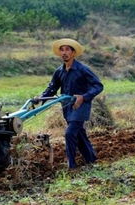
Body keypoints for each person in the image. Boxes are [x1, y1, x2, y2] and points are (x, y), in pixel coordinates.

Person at [39, 38, 103, 169]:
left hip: (81, 106)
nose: (64, 53)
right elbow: (52, 88)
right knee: (79, 133)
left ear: (73, 53)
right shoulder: (59, 71)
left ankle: (71, 165)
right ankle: (91, 159)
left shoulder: (82, 69)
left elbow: (98, 86)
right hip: (67, 107)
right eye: (62, 50)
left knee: (69, 133)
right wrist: (41, 98)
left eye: (67, 49)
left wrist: (83, 97)